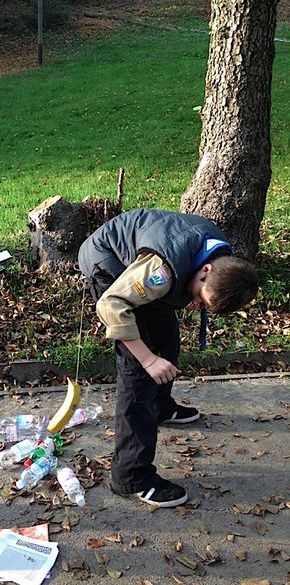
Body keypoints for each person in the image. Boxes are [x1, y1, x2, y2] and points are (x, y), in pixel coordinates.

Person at [78, 208, 258, 508]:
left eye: (203, 304)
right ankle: (131, 477)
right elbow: (112, 304)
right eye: (200, 297)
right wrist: (148, 360)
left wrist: (191, 295)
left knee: (167, 342)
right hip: (108, 262)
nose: (197, 303)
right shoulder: (160, 273)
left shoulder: (221, 258)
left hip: (150, 266)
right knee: (139, 373)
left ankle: (160, 408)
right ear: (206, 271)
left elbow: (181, 276)